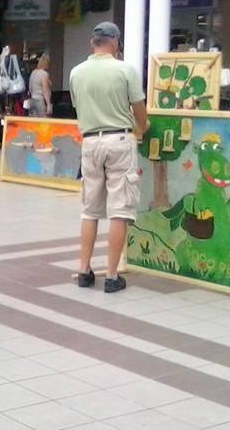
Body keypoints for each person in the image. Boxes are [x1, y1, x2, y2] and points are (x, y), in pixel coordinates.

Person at [69, 22, 149, 294]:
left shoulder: (76, 72)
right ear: (115, 42)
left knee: (89, 210)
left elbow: (80, 107)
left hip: (90, 142)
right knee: (120, 210)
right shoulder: (125, 70)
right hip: (119, 141)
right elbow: (139, 110)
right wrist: (141, 128)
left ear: (93, 43)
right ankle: (112, 276)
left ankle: (84, 271)